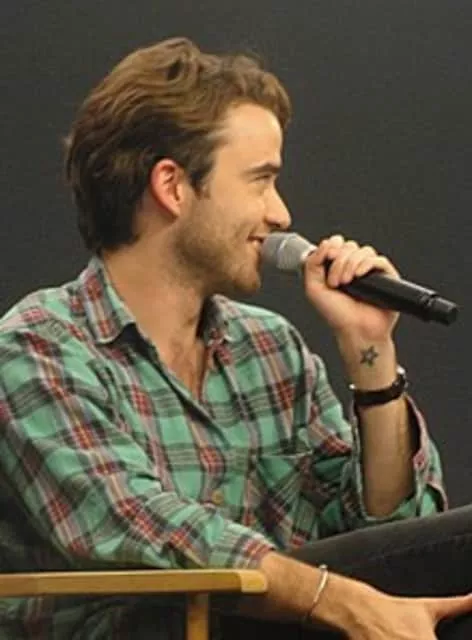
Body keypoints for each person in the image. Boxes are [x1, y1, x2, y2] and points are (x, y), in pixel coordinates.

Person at [0, 36, 471, 640]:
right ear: (172, 187)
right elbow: (141, 527)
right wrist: (340, 601)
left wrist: (369, 353)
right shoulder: (38, 349)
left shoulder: (269, 348)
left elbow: (389, 532)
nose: (281, 213)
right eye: (260, 180)